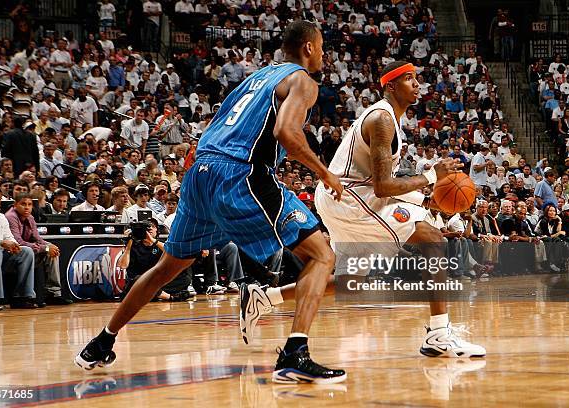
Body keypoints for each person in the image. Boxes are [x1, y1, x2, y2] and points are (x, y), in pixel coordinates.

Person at [75, 21, 346, 384]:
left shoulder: (257, 79)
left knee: (166, 269)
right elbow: (286, 131)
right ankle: (296, 352)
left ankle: (101, 340)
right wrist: (324, 172)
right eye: (323, 47)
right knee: (321, 254)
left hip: (200, 171)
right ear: (309, 48)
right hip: (239, 173)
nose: (325, 55)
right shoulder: (303, 81)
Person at [254, 62, 486, 357]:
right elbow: (382, 188)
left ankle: (265, 297)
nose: (417, 84)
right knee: (431, 238)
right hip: (350, 198)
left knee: (351, 282)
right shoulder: (381, 119)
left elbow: (383, 184)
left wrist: (424, 200)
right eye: (409, 79)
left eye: (417, 79)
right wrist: (430, 177)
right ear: (390, 85)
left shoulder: (390, 119)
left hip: (344, 197)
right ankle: (439, 334)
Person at [5, 193, 70, 306]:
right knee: (42, 250)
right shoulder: (10, 217)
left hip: (27, 251)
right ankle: (25, 295)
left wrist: (49, 246)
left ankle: (53, 293)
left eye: (29, 204)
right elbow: (18, 242)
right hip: (11, 253)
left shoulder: (30, 217)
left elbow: (38, 239)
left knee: (52, 251)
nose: (27, 207)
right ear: (15, 205)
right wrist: (44, 248)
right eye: (23, 204)